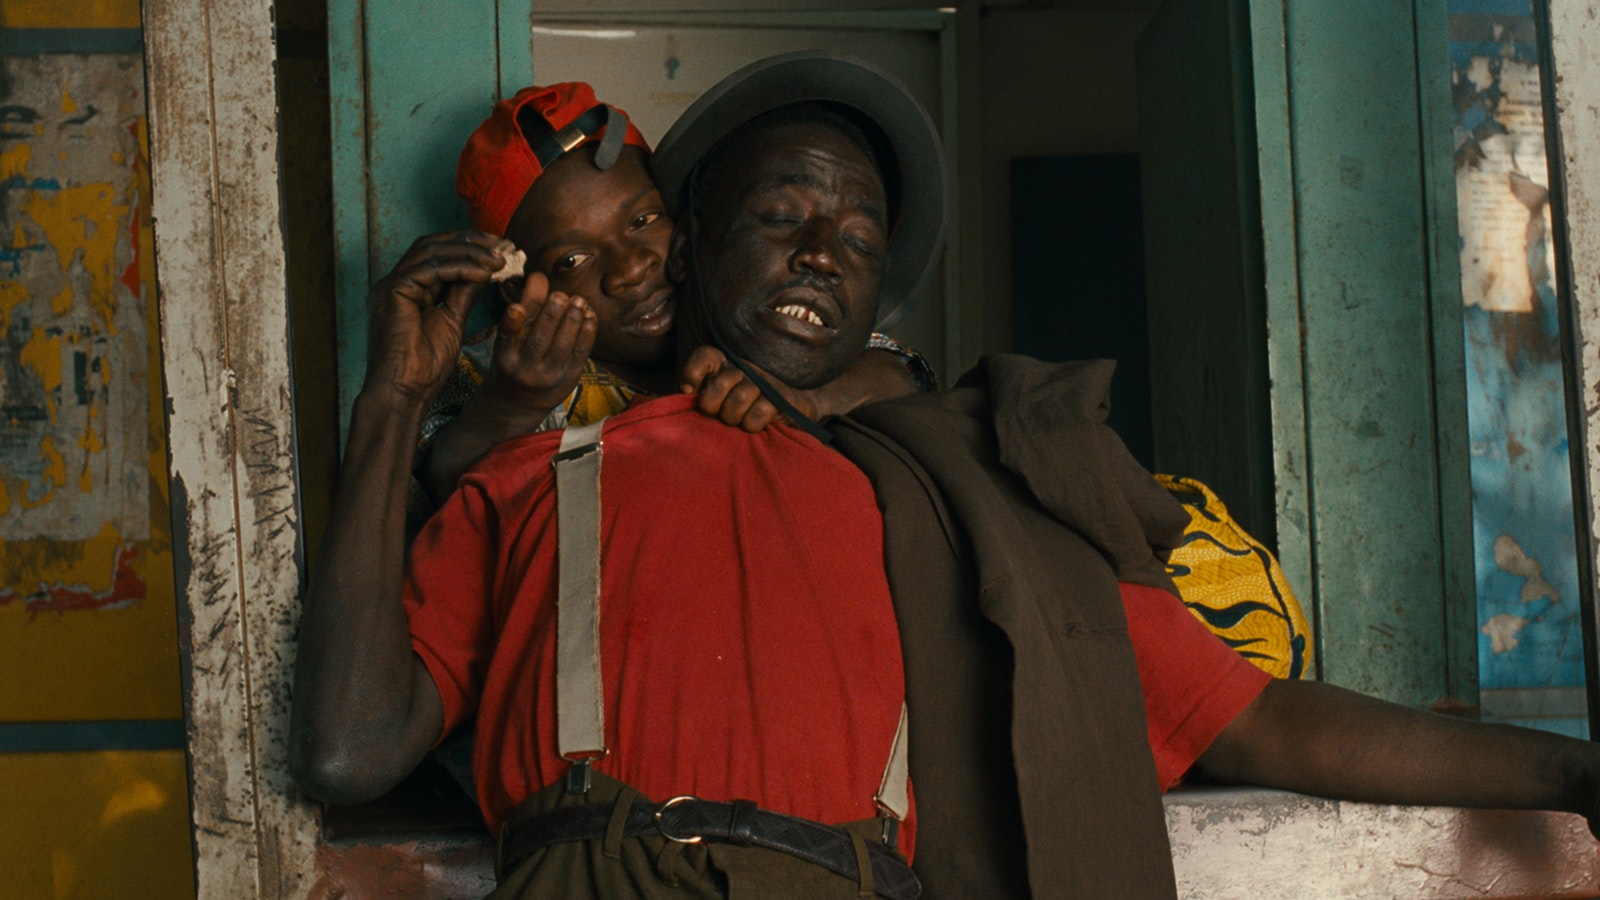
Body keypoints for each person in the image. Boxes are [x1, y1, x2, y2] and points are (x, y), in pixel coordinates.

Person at [291, 51, 1600, 900]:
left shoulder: (968, 499)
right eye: (779, 217)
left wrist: (1569, 773)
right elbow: (349, 748)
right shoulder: (539, 465)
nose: (822, 252)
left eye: (859, 239)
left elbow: (1260, 718)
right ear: (692, 242)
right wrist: (390, 403)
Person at [410, 81, 935, 526]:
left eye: (644, 221)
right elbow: (442, 493)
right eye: (572, 260)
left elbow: (899, 369)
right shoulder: (502, 365)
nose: (631, 269)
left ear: (684, 228)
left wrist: (807, 398)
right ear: (518, 287)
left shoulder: (737, 307)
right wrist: (511, 405)